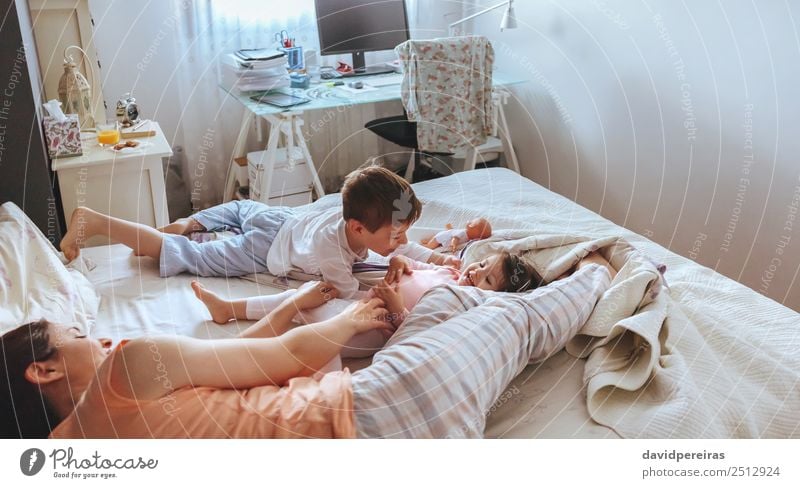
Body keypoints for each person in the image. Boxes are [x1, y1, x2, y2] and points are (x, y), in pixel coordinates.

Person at [0, 259, 613, 439]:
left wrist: (296, 307)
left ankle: (487, 291)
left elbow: (240, 355)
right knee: (509, 320)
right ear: (42, 369)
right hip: (375, 416)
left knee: (446, 306)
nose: (101, 336)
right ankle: (597, 273)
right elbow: (284, 360)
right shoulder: (127, 372)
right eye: (81, 336)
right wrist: (345, 319)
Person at [59, 166, 458, 299]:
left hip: (279, 219)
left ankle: (195, 222)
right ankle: (95, 222)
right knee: (185, 255)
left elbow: (394, 246)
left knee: (238, 208)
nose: (402, 241)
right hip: (266, 249)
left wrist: (437, 258)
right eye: (396, 235)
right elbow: (352, 295)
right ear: (358, 228)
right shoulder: (333, 251)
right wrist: (389, 291)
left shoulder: (354, 224)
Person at [191, 251, 543, 330]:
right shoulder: (450, 271)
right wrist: (400, 263)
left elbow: (414, 331)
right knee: (316, 291)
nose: (475, 273)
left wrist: (394, 307)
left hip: (377, 325)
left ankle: (266, 340)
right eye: (481, 265)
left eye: (486, 279)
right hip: (363, 299)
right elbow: (409, 261)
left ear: (492, 297)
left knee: (310, 313)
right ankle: (231, 308)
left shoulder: (462, 305)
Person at [420, 217, 493, 252]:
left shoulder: (468, 238)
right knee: (430, 246)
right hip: (441, 238)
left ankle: (428, 241)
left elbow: (455, 236)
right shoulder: (462, 233)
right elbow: (455, 238)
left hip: (447, 237)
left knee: (438, 243)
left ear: (470, 226)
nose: (468, 221)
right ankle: (425, 245)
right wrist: (453, 245)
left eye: (470, 221)